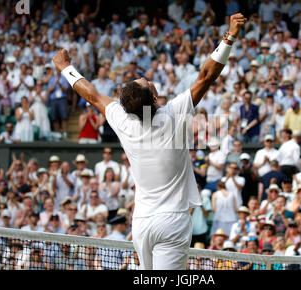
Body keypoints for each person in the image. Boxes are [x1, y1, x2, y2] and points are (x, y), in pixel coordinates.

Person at [52, 14, 246, 270]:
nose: (144, 78)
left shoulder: (122, 120)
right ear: (154, 98)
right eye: (144, 82)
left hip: (142, 222)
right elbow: (206, 76)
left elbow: (92, 94)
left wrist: (65, 67)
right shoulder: (174, 113)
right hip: (172, 221)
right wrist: (229, 37)